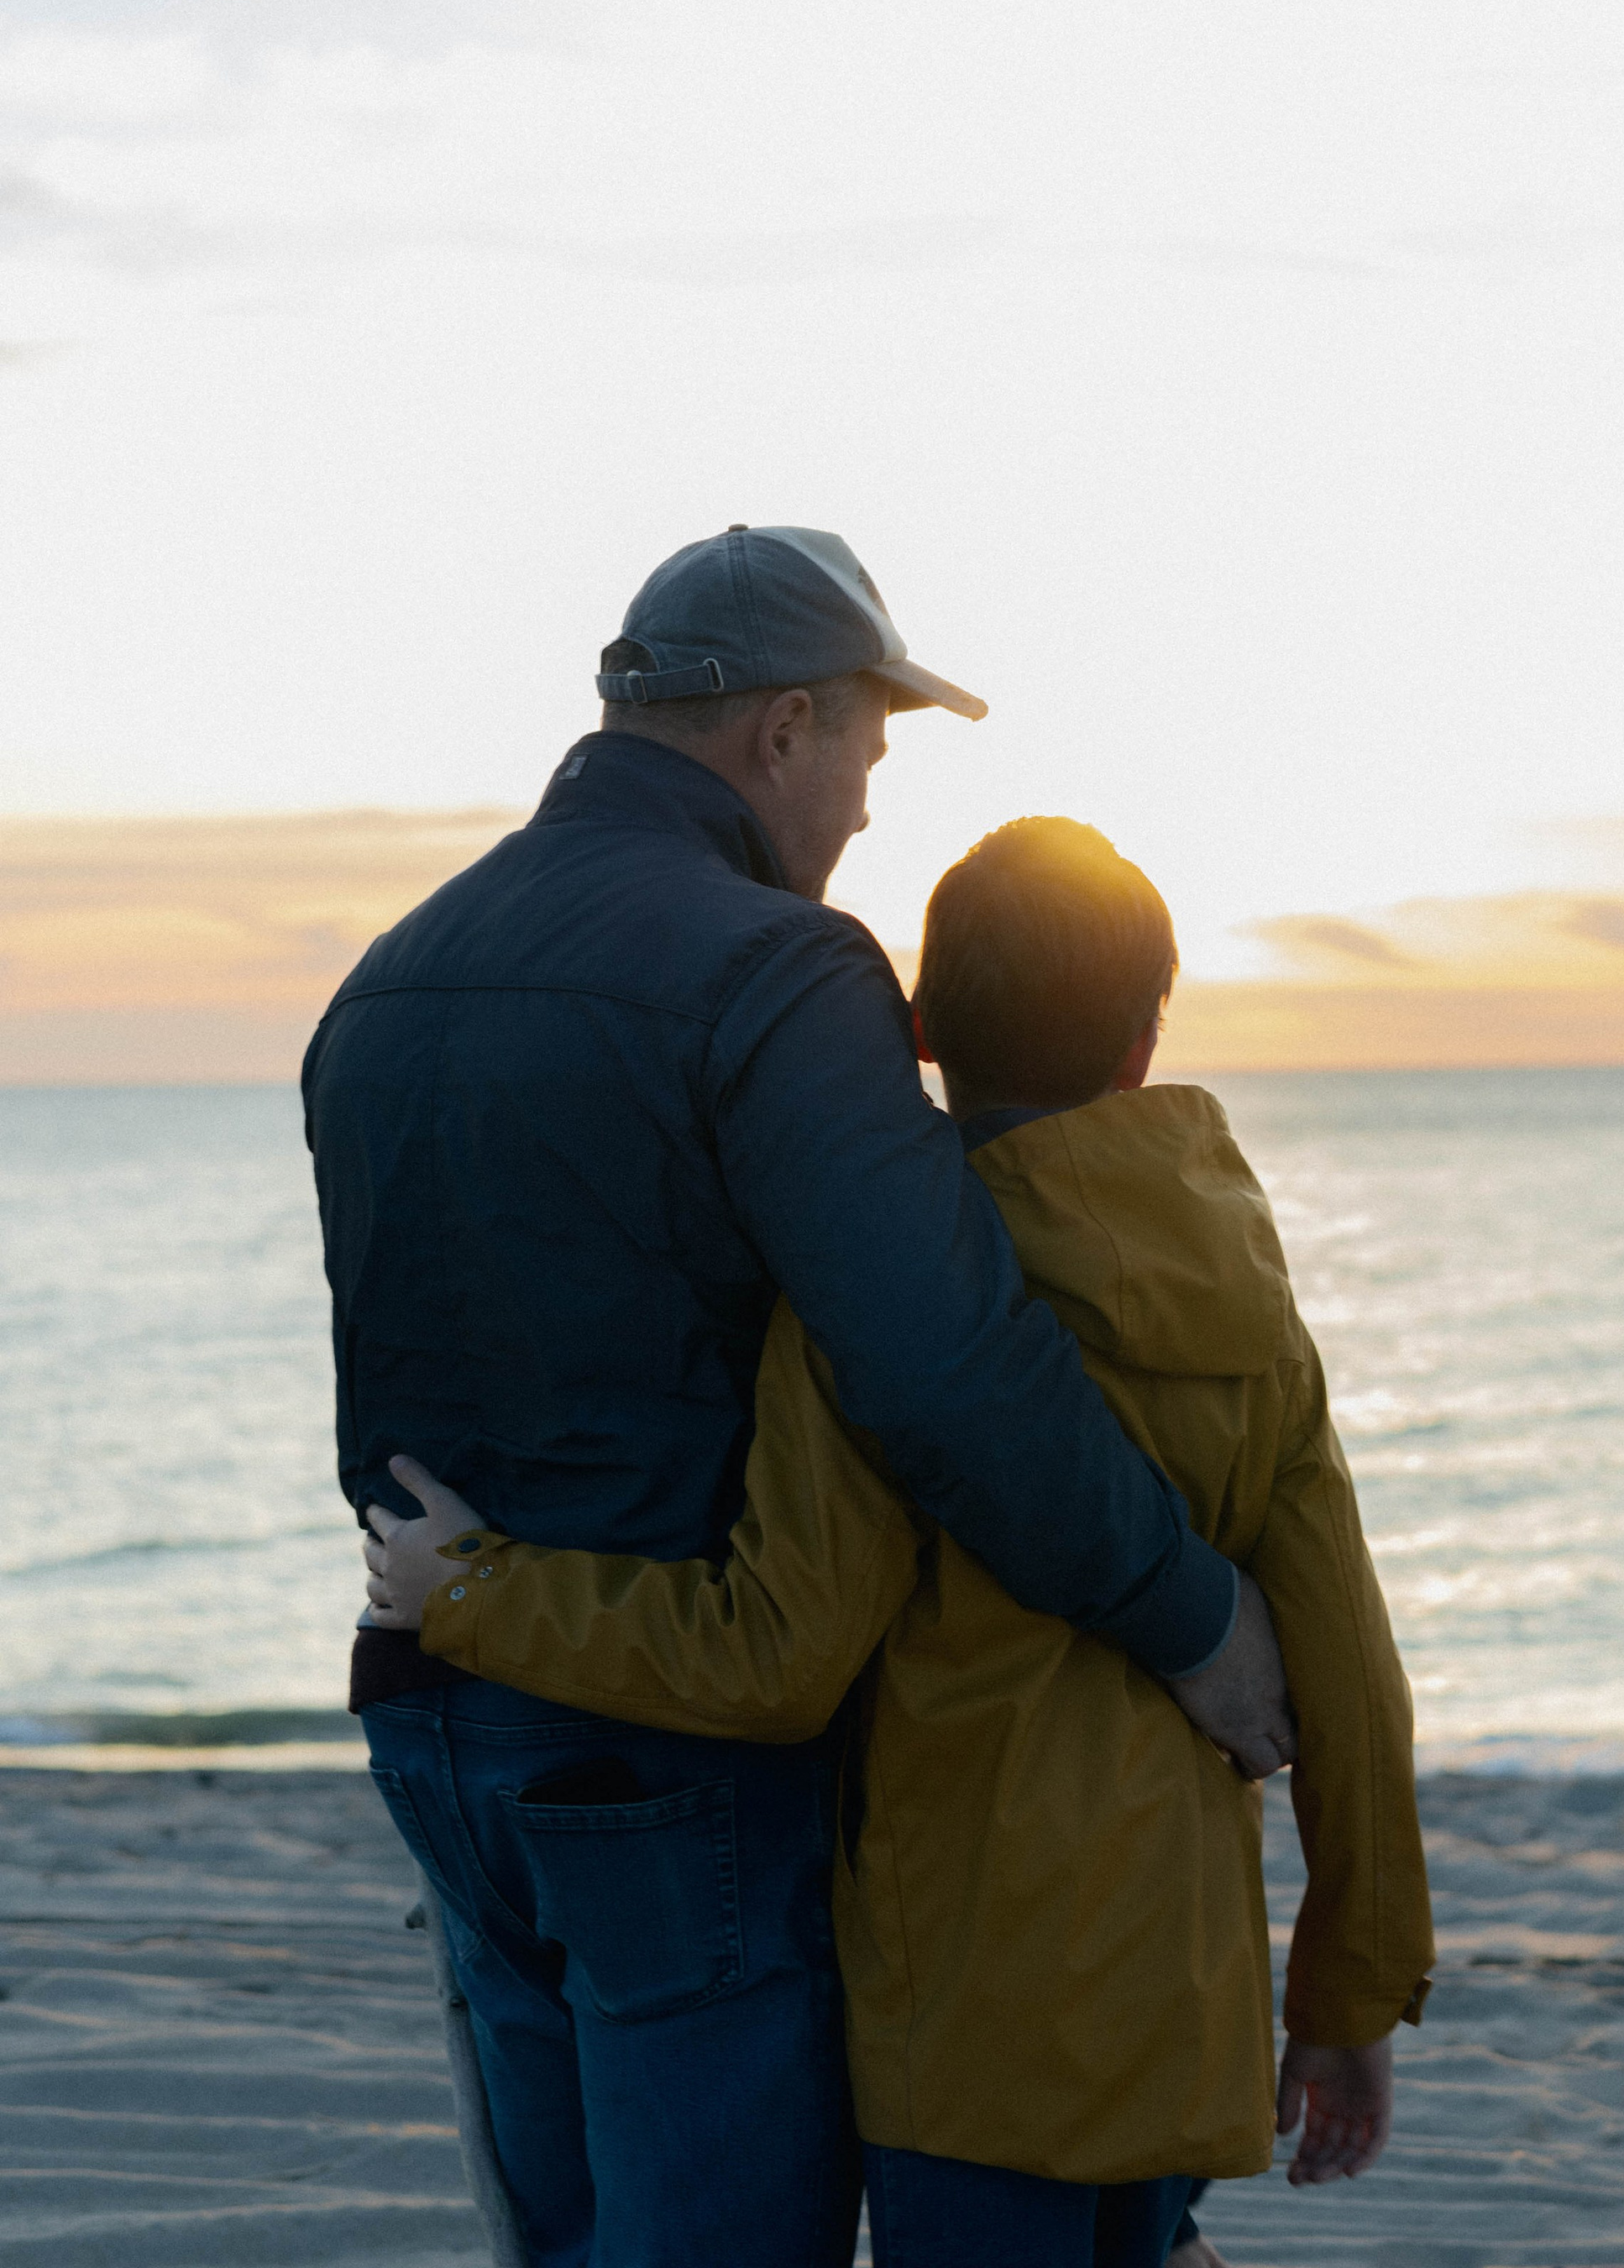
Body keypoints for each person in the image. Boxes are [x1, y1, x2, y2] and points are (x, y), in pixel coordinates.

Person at [306, 531, 1296, 2268]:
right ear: (782, 726)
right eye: (863, 751)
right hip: (663, 1754)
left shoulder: (388, 974)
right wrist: (1186, 1610)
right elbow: (945, 1363)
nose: (857, 807)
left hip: (434, 1715)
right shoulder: (776, 964)